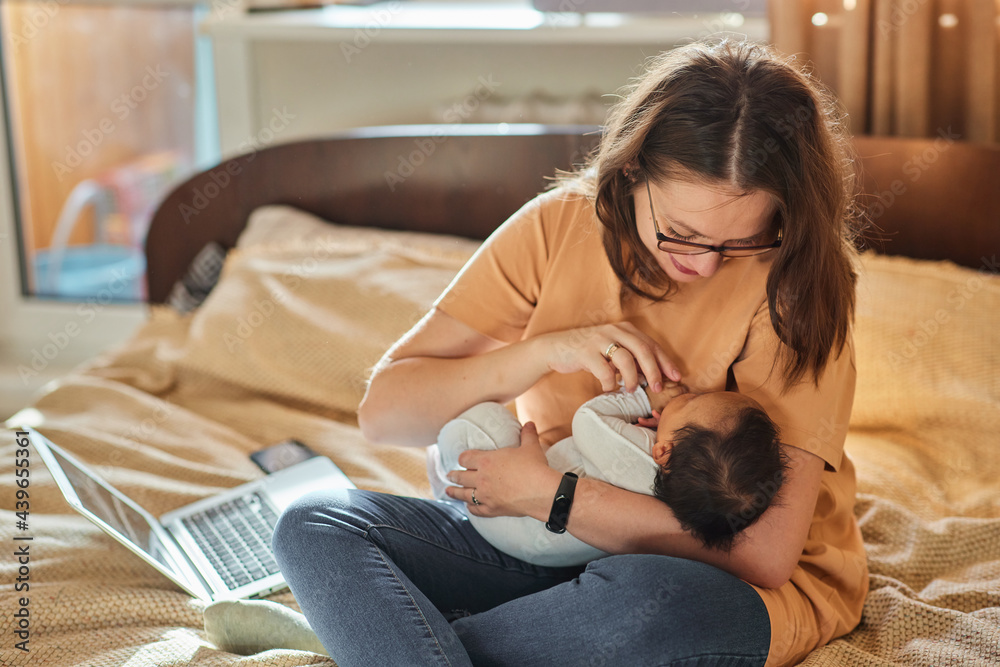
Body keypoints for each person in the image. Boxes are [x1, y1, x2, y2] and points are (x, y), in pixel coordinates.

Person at [258, 39, 868, 666]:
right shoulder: (556, 227)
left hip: (701, 573)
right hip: (535, 535)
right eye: (681, 234)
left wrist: (554, 494)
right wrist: (544, 353)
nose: (707, 265)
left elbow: (763, 555)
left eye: (740, 242)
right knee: (315, 522)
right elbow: (384, 417)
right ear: (630, 172)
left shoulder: (796, 282)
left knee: (648, 603)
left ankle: (396, 643)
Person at [427, 383, 788, 567]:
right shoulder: (688, 495)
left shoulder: (639, 453)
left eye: (692, 402)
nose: (690, 394)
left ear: (663, 452)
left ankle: (446, 474)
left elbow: (588, 420)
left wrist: (642, 400)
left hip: (512, 517)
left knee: (483, 421)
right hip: (545, 548)